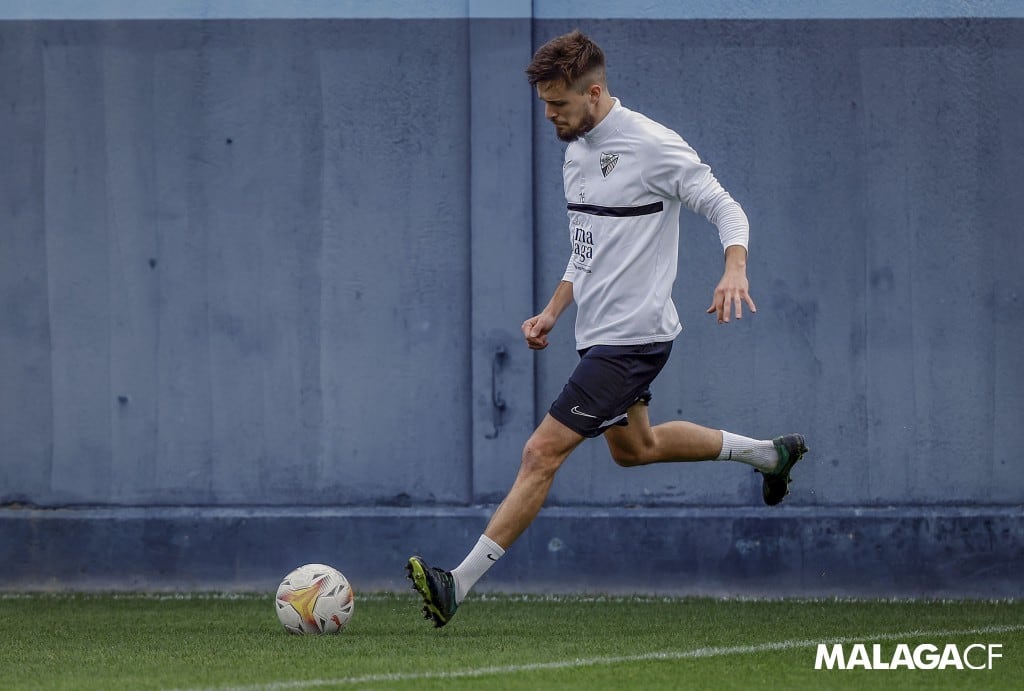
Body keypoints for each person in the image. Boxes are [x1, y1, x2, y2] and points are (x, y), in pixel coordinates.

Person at [407, 30, 808, 627]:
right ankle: (769, 455)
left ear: (594, 92)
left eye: (559, 104)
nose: (550, 116)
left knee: (541, 452)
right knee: (635, 449)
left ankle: (456, 584)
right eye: (545, 104)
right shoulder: (576, 147)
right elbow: (587, 248)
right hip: (598, 334)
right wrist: (552, 310)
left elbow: (726, 207)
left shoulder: (653, 145)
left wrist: (733, 268)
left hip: (634, 339)